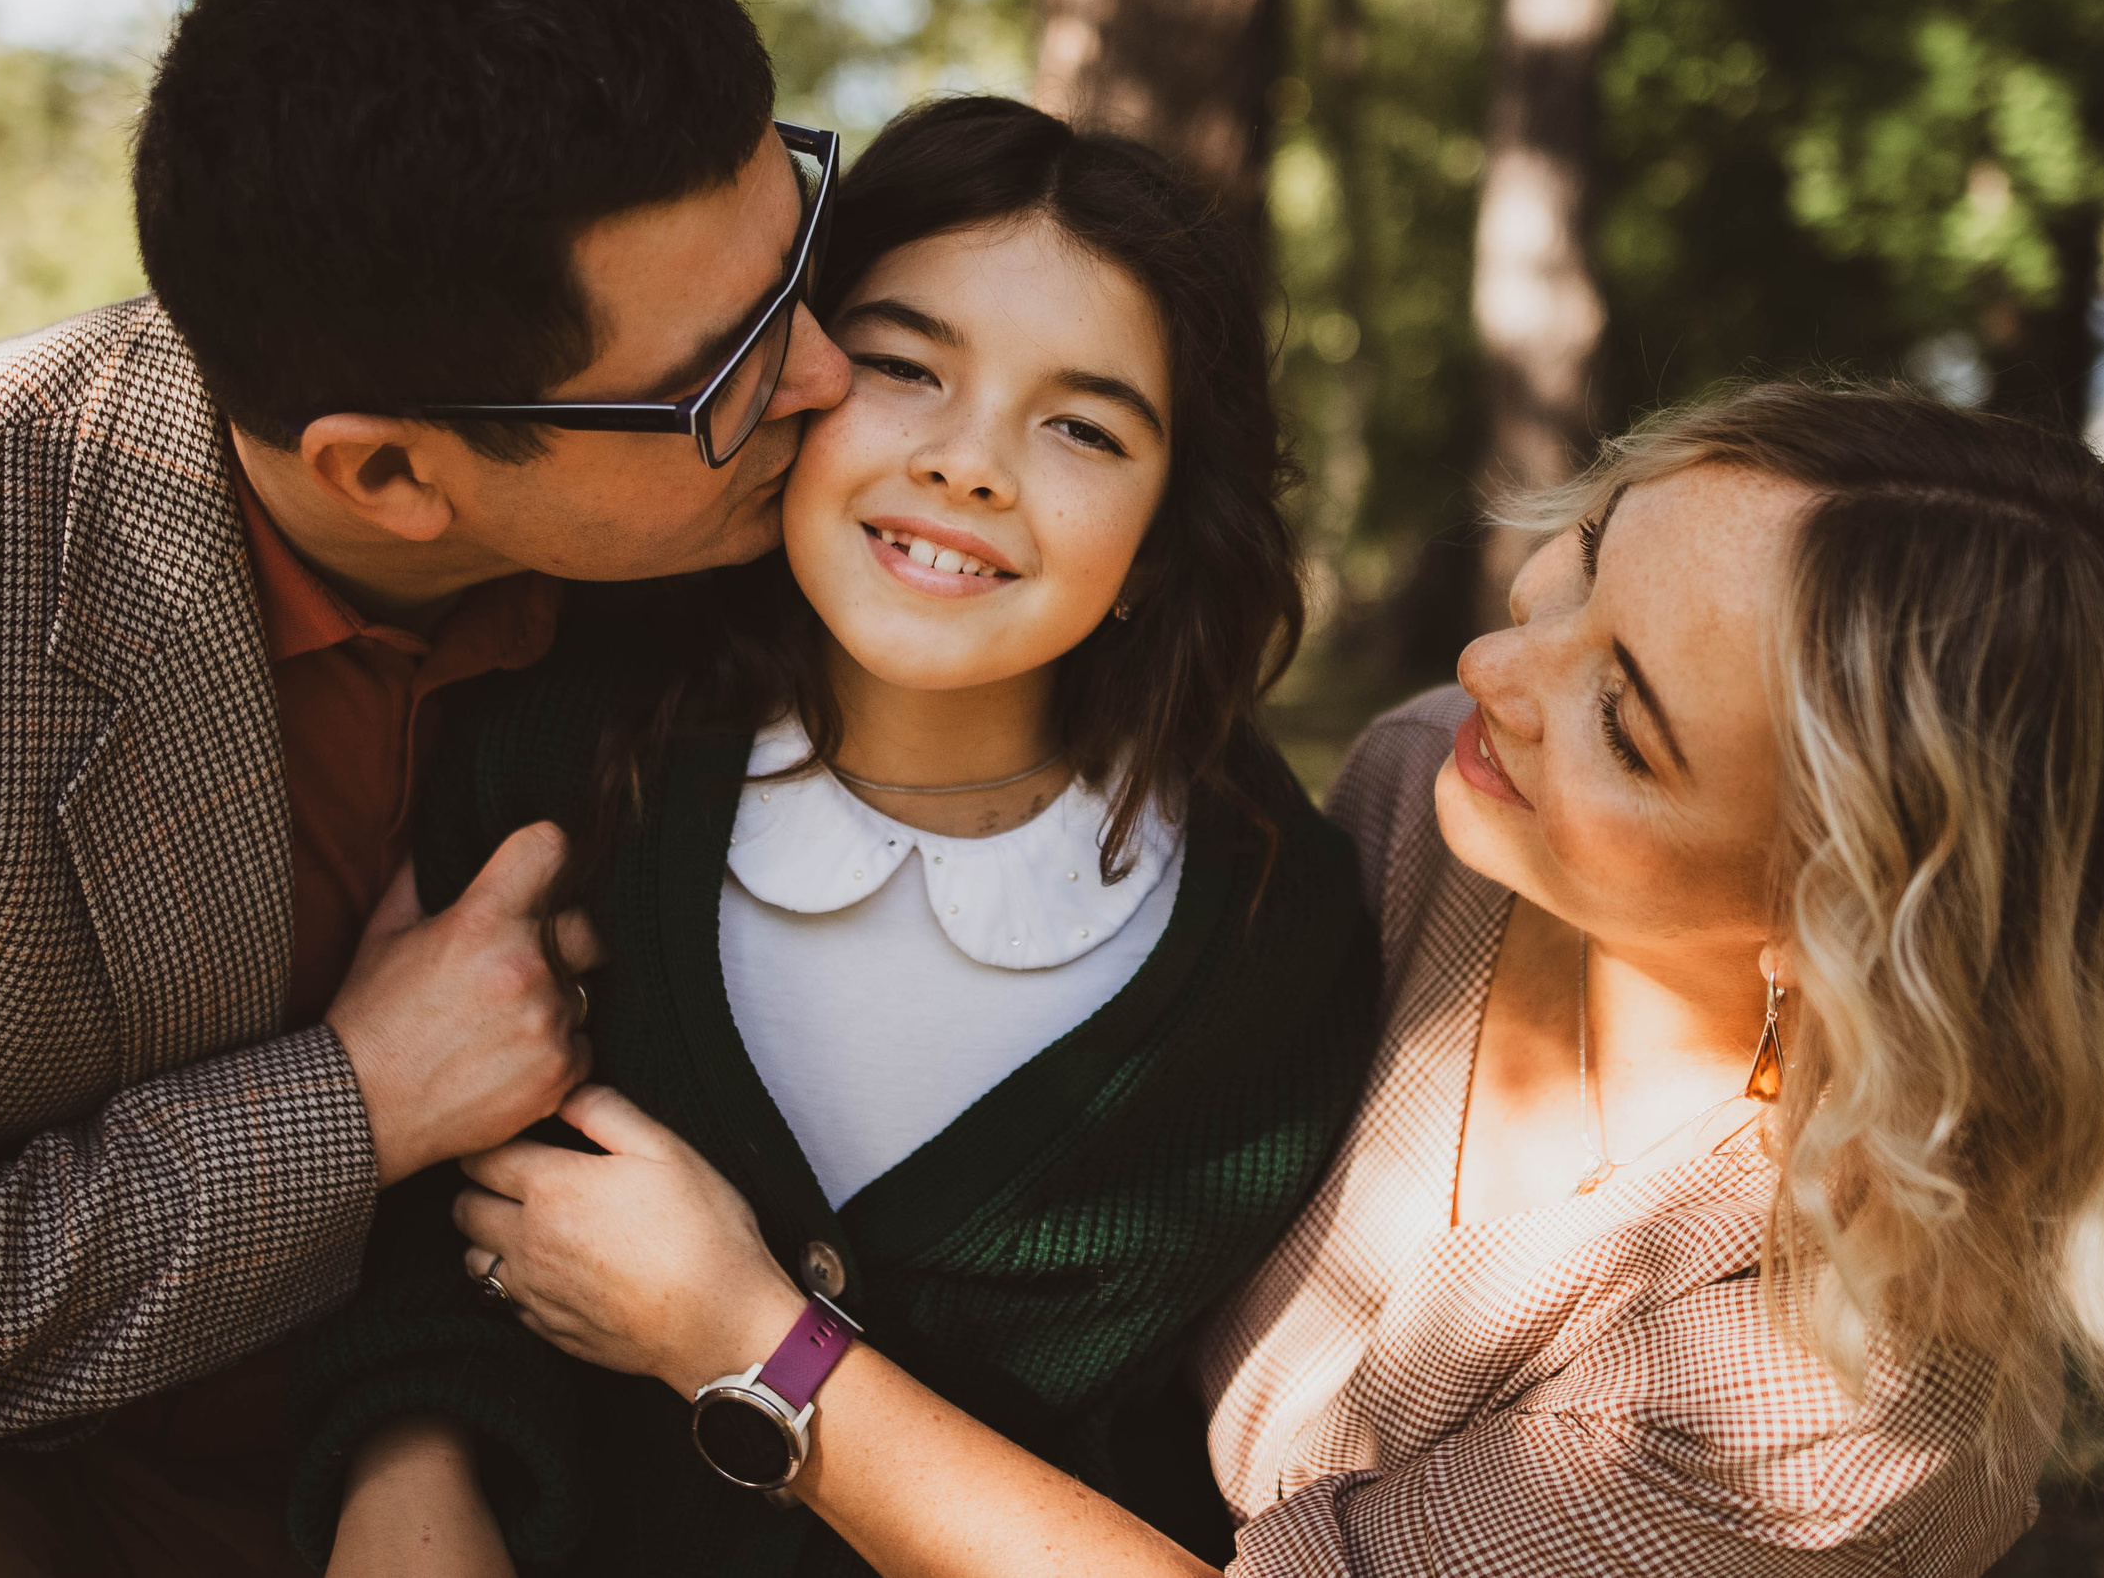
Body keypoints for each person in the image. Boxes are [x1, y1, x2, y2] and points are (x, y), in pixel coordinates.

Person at [447, 382, 2104, 1575]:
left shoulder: (1837, 1395)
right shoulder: (1433, 809)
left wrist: (748, 1339)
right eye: (1578, 566)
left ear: (1849, 925)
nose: (1497, 665)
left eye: (1625, 719)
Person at [0, 0, 846, 1571]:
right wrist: (355, 1102)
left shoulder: (818, 493)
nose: (823, 372)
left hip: (607, 1459)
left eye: (797, 240)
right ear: (386, 473)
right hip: (61, 1481)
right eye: (722, 373)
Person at [286, 95, 1382, 1578]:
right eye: (905, 366)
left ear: (1160, 534)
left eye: (1083, 426)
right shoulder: (560, 749)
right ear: (786, 384)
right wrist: (409, 1487)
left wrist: (755, 1336)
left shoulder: (1269, 938)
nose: (970, 464)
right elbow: (418, 1258)